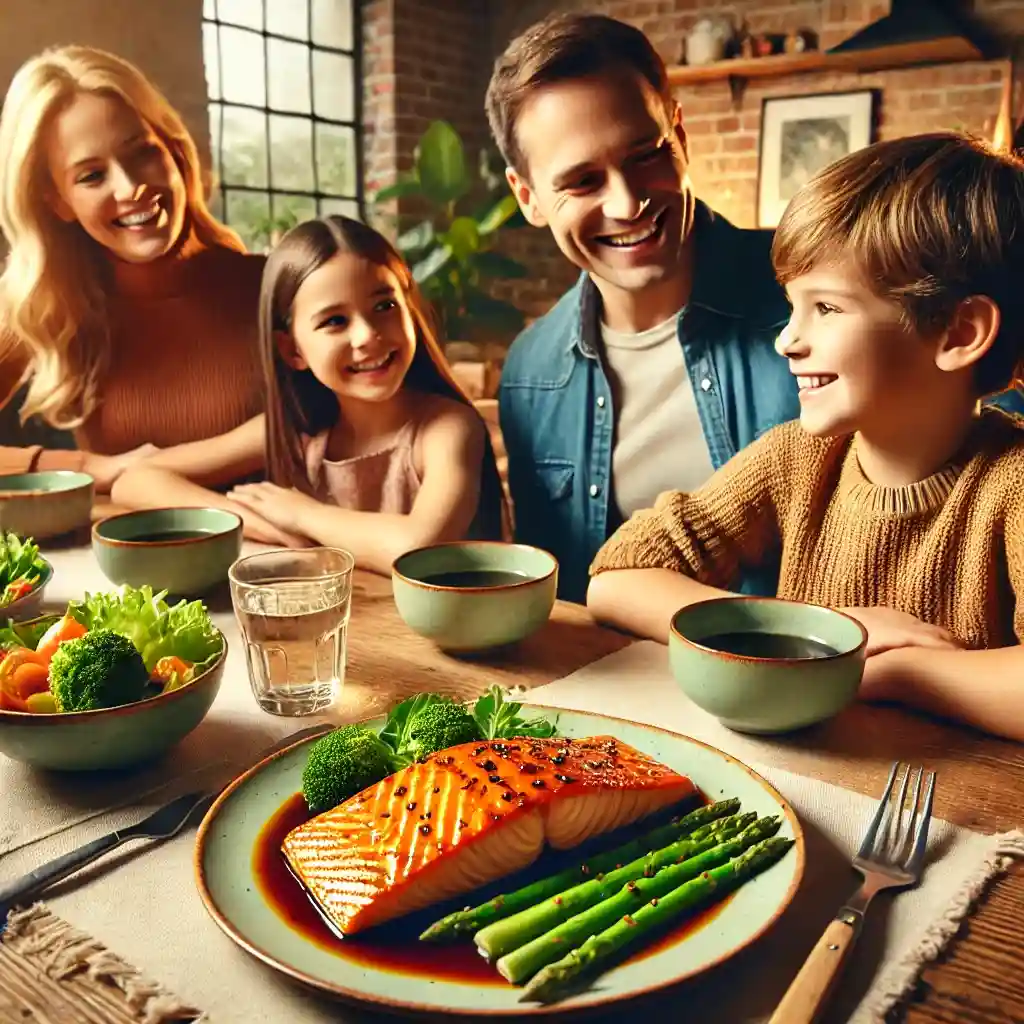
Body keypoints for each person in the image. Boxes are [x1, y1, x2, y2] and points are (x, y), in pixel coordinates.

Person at [588, 132, 1024, 743]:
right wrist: (816, 628)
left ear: (959, 332)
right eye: (793, 306)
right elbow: (617, 576)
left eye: (826, 308)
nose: (786, 340)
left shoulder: (1012, 484)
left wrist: (901, 673)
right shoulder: (796, 457)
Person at [485, 13, 800, 603]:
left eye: (646, 155)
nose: (628, 203)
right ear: (528, 197)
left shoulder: (813, 295)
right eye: (581, 182)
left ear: (679, 138)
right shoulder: (530, 375)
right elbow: (559, 601)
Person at [112, 215, 506, 573]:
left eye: (384, 305)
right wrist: (256, 520)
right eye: (335, 321)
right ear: (293, 350)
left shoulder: (446, 429)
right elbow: (136, 480)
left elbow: (420, 547)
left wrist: (304, 516)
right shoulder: (297, 431)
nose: (367, 335)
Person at [0, 45, 264, 495]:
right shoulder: (44, 302)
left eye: (142, 153)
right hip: (115, 564)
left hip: (278, 558)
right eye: (91, 176)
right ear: (58, 202)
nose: (130, 187)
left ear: (176, 152)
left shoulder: (277, 287)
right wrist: (89, 466)